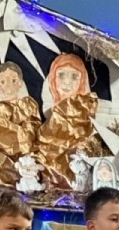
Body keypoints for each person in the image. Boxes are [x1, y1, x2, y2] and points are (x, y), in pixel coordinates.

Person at [35, 53, 101, 187]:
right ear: (52, 79)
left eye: (74, 76)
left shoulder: (86, 119)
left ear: (82, 81)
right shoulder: (48, 122)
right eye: (61, 75)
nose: (67, 82)